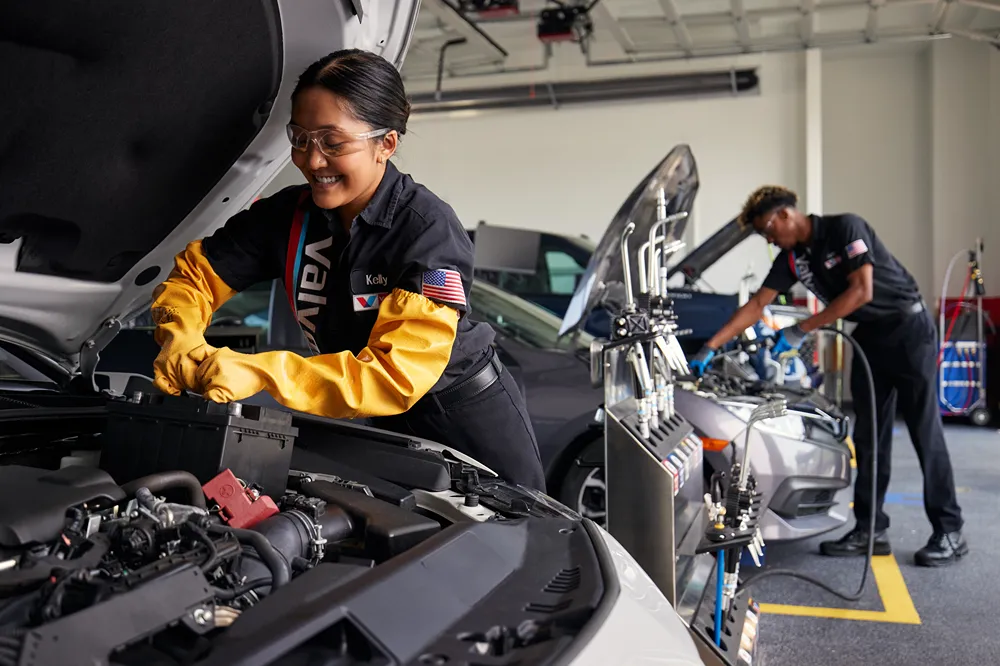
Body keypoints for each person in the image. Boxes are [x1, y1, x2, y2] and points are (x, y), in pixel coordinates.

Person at [149, 49, 545, 491]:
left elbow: (394, 377)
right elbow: (193, 279)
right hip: (366, 417)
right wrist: (178, 335)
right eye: (300, 139)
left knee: (521, 541)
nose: (312, 161)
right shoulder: (285, 217)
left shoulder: (427, 230)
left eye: (333, 143)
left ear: (386, 144)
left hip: (460, 416)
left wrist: (261, 372)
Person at [688, 185, 967, 567]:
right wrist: (711, 347)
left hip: (908, 330)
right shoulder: (792, 259)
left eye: (768, 230)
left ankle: (950, 531)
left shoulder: (845, 229)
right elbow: (757, 304)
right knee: (869, 438)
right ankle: (871, 530)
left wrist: (801, 330)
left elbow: (861, 291)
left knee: (924, 431)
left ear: (786, 215)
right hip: (870, 337)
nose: (769, 239)